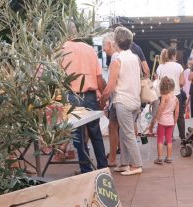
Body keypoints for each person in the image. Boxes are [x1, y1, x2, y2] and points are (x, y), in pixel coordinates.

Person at [61, 27, 108, 173]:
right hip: (90, 95)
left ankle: (85, 169)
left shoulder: (61, 49)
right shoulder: (89, 49)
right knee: (95, 133)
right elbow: (99, 77)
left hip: (72, 96)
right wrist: (103, 97)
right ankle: (102, 167)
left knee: (78, 136)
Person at [100, 27, 142, 176]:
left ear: (116, 42)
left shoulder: (118, 60)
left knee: (128, 134)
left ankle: (136, 164)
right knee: (125, 133)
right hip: (135, 100)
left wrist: (102, 99)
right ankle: (124, 163)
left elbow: (110, 86)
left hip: (123, 100)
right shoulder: (134, 57)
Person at [156, 47, 185, 140]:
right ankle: (183, 137)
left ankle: (168, 137)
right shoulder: (179, 66)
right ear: (174, 55)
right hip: (176, 94)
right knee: (179, 115)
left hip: (163, 94)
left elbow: (158, 81)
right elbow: (181, 82)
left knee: (166, 114)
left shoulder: (160, 66)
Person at [102, 32, 120, 167]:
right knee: (117, 128)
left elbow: (111, 85)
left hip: (118, 99)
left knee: (113, 128)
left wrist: (103, 99)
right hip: (123, 99)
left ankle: (113, 158)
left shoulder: (115, 58)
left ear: (109, 44)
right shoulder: (121, 57)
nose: (103, 49)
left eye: (104, 45)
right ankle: (115, 155)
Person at [154, 77, 179, 164]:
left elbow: (161, 108)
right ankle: (169, 157)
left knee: (160, 139)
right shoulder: (176, 98)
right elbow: (177, 113)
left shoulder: (164, 97)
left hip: (162, 121)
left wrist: (157, 117)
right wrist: (174, 122)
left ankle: (160, 158)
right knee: (169, 139)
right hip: (171, 122)